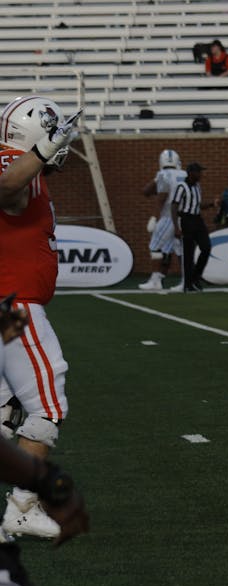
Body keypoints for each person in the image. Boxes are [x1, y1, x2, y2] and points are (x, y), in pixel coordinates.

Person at [0, 95, 82, 539]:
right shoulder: (16, 166)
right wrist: (41, 151)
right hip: (13, 306)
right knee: (48, 409)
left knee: (7, 413)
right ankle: (21, 507)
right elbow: (6, 188)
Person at [0, 300, 89, 586]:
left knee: (8, 407)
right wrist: (44, 481)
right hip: (14, 297)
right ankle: (21, 506)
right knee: (46, 406)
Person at [139, 149, 188, 291]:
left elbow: (159, 196)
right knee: (181, 250)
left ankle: (156, 280)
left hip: (168, 216)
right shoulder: (185, 174)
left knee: (155, 247)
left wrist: (154, 217)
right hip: (185, 216)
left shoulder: (163, 174)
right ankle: (186, 280)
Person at [172, 162, 218, 292]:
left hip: (197, 219)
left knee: (206, 247)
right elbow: (174, 206)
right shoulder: (181, 186)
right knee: (188, 253)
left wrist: (211, 204)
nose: (201, 174)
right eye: (198, 172)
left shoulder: (197, 186)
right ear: (191, 173)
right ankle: (188, 284)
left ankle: (195, 277)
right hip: (186, 219)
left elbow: (197, 205)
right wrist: (176, 226)